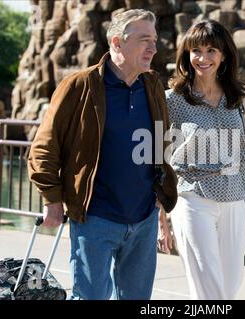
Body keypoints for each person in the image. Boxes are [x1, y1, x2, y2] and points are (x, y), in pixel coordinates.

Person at [27, 9, 177, 300]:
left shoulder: (153, 86)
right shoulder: (79, 86)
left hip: (143, 218)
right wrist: (52, 199)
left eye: (155, 40)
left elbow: (161, 146)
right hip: (96, 218)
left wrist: (160, 207)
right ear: (118, 43)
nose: (153, 48)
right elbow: (45, 146)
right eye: (144, 40)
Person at [165, 20, 245, 300]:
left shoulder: (235, 98)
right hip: (192, 197)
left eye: (211, 50)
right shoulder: (172, 100)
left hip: (235, 197)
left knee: (230, 285)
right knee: (208, 289)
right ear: (186, 55)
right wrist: (159, 217)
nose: (203, 58)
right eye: (196, 50)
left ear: (224, 55)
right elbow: (156, 157)